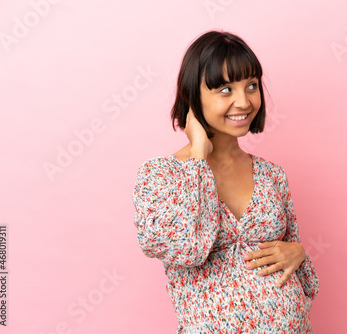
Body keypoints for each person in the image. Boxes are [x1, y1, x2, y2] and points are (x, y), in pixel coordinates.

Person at [132, 30, 320, 333]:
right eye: (225, 90)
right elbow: (186, 248)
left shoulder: (272, 175)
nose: (244, 101)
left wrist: (298, 253)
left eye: (251, 86)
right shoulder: (160, 175)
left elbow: (303, 275)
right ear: (193, 95)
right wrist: (197, 158)